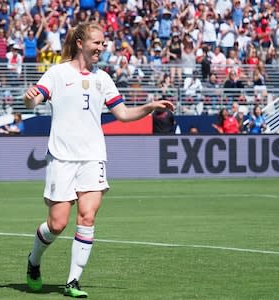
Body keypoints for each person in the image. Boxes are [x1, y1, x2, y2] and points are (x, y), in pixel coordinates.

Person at [22, 22, 174, 298]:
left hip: (93, 157)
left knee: (87, 217)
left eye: (104, 44)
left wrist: (150, 107)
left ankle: (73, 282)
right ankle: (33, 261)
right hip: (62, 157)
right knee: (57, 224)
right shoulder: (57, 73)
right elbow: (32, 103)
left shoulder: (102, 78)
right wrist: (29, 98)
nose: (102, 48)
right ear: (80, 43)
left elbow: (124, 114)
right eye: (97, 43)